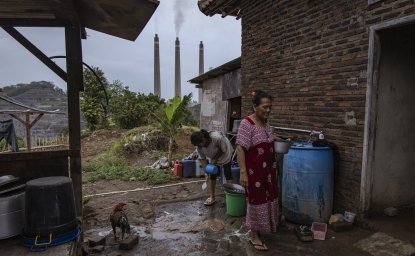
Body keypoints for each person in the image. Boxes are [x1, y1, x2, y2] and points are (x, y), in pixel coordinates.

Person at [235, 90, 277, 251]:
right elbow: (240, 148)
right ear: (255, 107)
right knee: (255, 201)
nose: (268, 110)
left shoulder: (267, 123)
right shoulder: (247, 123)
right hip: (254, 173)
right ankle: (254, 236)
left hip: (269, 172)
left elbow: (269, 138)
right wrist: (243, 172)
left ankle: (263, 228)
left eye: (270, 107)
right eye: (265, 107)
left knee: (268, 198)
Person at [190, 129, 234, 206]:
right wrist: (206, 172)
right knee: (212, 175)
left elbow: (222, 150)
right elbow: (203, 159)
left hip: (225, 153)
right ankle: (212, 197)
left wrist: (214, 160)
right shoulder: (199, 146)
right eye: (198, 145)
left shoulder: (217, 138)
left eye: (201, 143)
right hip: (213, 155)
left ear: (204, 138)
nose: (201, 145)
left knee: (228, 173)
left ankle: (229, 198)